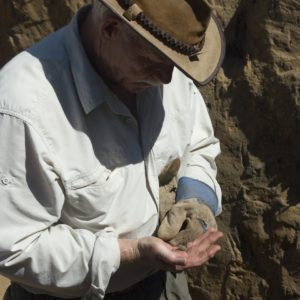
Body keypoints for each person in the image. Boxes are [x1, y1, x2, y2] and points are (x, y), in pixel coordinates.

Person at [0, 0, 225, 299]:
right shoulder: (23, 109)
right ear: (109, 28)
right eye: (154, 62)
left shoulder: (163, 58)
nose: (168, 79)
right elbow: (14, 247)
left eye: (175, 65)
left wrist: (196, 199)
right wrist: (129, 253)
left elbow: (198, 144)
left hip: (161, 285)